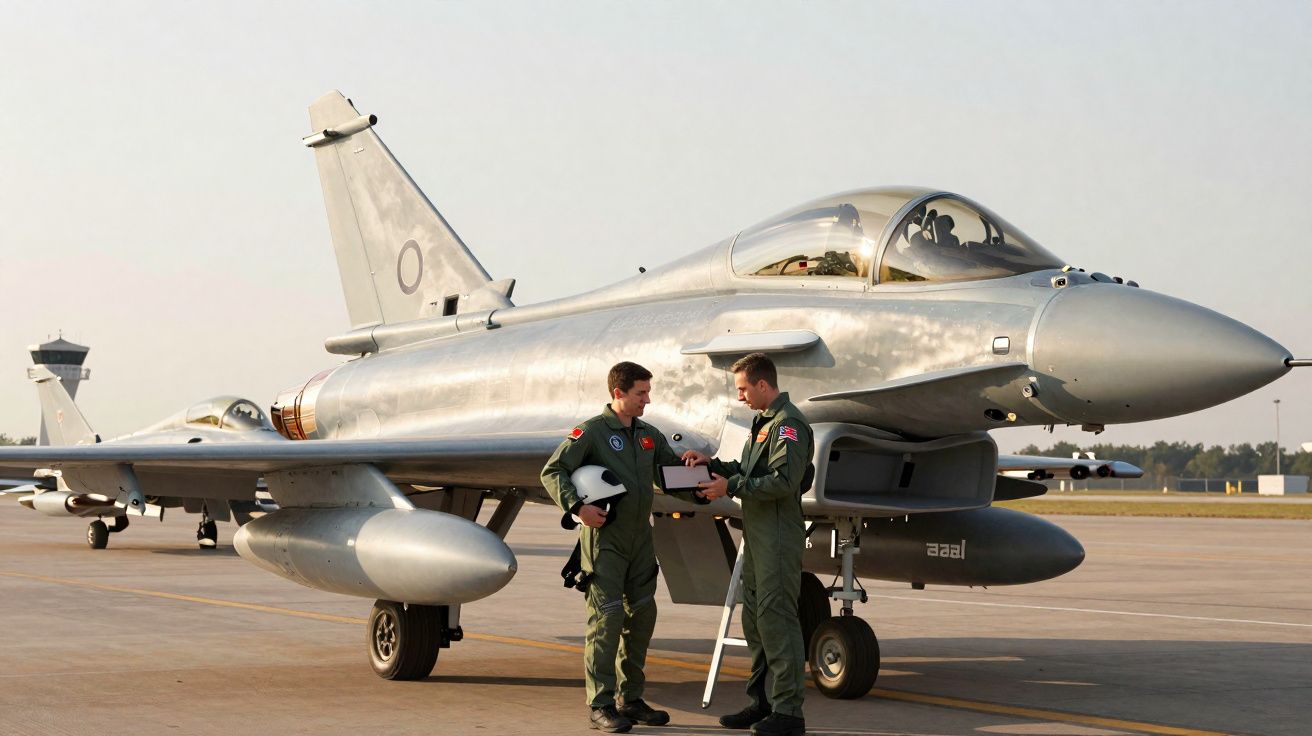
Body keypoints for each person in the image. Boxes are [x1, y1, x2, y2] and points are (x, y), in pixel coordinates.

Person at [541, 361, 700, 733]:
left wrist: (696, 471)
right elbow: (552, 471)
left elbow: (669, 471)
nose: (647, 399)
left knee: (642, 616)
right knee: (607, 619)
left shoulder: (648, 434)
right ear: (618, 393)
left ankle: (630, 699)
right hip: (605, 541)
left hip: (640, 540)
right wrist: (578, 507)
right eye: (640, 393)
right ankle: (600, 704)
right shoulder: (593, 432)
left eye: (647, 392)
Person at [686, 352, 814, 736]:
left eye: (743, 388)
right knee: (756, 621)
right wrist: (710, 466)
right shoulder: (763, 422)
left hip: (776, 535)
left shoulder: (788, 425)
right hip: (757, 535)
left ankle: (789, 712)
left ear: (763, 384)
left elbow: (783, 482)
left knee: (778, 621)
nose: (740, 396)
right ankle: (761, 703)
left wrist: (731, 487)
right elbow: (746, 471)